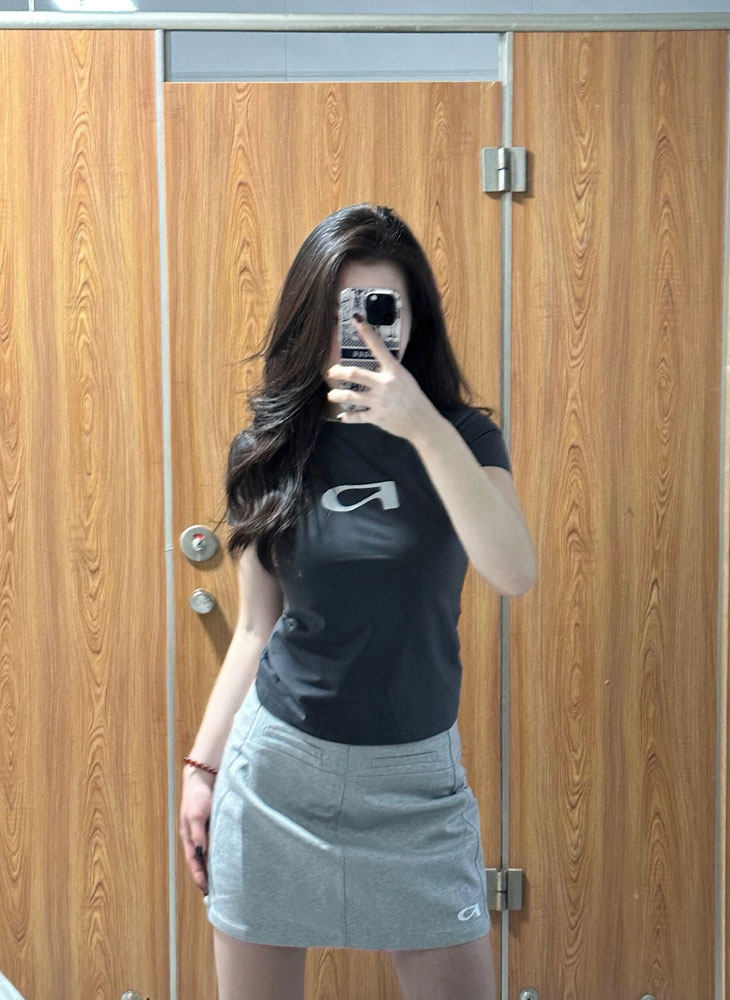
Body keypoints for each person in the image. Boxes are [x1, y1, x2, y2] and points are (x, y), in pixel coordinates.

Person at [179, 204, 536, 1000]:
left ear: (415, 318)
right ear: (314, 319)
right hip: (277, 776)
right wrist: (201, 769)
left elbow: (513, 571)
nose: (370, 330)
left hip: (417, 786)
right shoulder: (271, 449)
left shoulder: (465, 438)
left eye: (386, 309)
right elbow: (256, 629)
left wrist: (422, 427)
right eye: (350, 310)